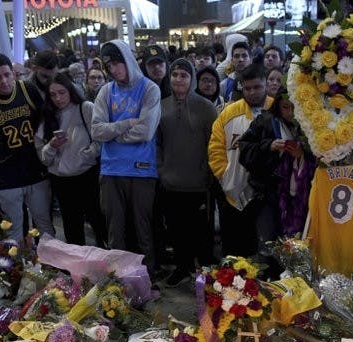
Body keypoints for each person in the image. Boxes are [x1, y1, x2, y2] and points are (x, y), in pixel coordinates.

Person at [89, 40, 162, 275]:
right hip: (110, 170)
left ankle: (146, 278)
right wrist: (127, 123)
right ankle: (117, 283)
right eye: (109, 66)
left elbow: (146, 131)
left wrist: (115, 133)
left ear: (127, 60)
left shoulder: (150, 88)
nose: (113, 70)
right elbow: (97, 130)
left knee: (143, 231)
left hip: (142, 170)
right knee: (115, 232)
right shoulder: (106, 91)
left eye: (116, 63)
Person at [0, 53, 53, 242]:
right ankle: (17, 270)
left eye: (7, 75)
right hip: (5, 173)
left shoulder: (28, 91)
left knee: (44, 224)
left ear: (14, 74)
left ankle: (52, 267)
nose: (4, 80)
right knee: (13, 231)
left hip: (35, 169)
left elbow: (45, 120)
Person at [239, 89, 315, 274]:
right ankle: (267, 286)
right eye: (285, 107)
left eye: (294, 108)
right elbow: (244, 150)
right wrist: (269, 146)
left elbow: (318, 159)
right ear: (278, 107)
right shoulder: (265, 122)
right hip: (268, 193)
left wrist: (301, 157)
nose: (290, 113)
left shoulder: (309, 127)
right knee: (268, 243)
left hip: (298, 199)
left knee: (293, 245)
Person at [156, 58, 218, 284]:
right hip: (171, 181)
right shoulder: (161, 106)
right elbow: (158, 143)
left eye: (183, 75)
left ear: (191, 79)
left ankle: (206, 274)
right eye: (174, 75)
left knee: (201, 232)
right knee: (175, 228)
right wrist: (161, 169)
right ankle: (182, 267)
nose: (178, 79)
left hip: (199, 182)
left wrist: (209, 173)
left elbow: (215, 143)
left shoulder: (205, 107)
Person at [208, 62, 272, 258]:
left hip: (267, 194)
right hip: (233, 191)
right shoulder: (229, 113)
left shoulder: (277, 109)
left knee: (266, 249)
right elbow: (215, 149)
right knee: (235, 251)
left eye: (257, 87)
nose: (252, 92)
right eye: (247, 88)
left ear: (266, 85)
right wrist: (225, 176)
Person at [34, 72, 102, 247]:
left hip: (87, 174)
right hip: (61, 179)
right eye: (53, 94)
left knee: (98, 220)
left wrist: (87, 154)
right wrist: (52, 146)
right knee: (72, 227)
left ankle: (108, 264)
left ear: (70, 90)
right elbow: (44, 158)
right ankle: (77, 268)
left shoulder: (85, 108)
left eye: (62, 92)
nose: (58, 98)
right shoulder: (48, 116)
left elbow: (101, 139)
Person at [221, 38, 252, 103]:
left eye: (244, 56)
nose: (240, 59)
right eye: (236, 56)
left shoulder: (260, 82)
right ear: (232, 61)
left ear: (251, 60)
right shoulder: (224, 85)